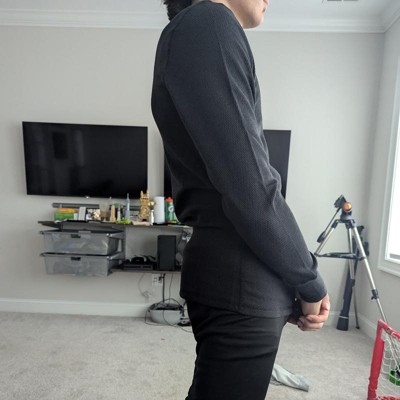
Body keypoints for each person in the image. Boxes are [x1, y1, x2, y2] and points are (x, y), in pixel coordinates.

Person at [151, 1, 330, 399]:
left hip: (240, 277)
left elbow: (247, 182)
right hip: (239, 278)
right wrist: (308, 279)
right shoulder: (208, 23)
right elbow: (251, 187)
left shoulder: (200, 29)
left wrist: (295, 281)